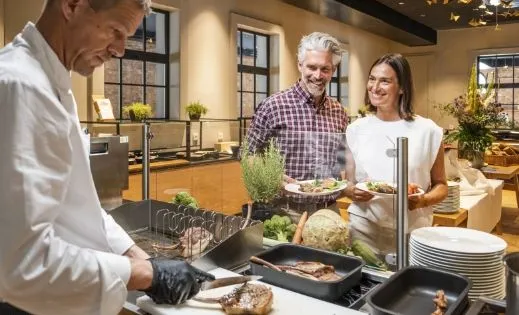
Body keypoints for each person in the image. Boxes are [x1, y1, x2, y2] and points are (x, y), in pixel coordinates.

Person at [0, 1, 213, 314]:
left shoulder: (52, 82)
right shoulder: (21, 86)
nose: (121, 50)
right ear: (72, 5)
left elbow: (76, 204)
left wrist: (137, 255)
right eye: (116, 31)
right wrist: (145, 275)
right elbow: (19, 261)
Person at [344, 53, 448, 265]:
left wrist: (424, 200)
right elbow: (346, 181)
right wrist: (350, 191)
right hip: (364, 228)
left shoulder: (429, 131)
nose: (375, 87)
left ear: (402, 88)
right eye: (372, 79)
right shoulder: (355, 130)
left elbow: (441, 185)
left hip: (413, 230)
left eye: (385, 81)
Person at [246, 32, 348, 220]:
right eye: (312, 67)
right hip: (284, 211)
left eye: (325, 69)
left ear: (333, 70)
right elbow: (248, 154)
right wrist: (270, 177)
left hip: (328, 210)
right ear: (299, 65)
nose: (318, 75)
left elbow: (341, 160)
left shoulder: (339, 112)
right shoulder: (272, 106)